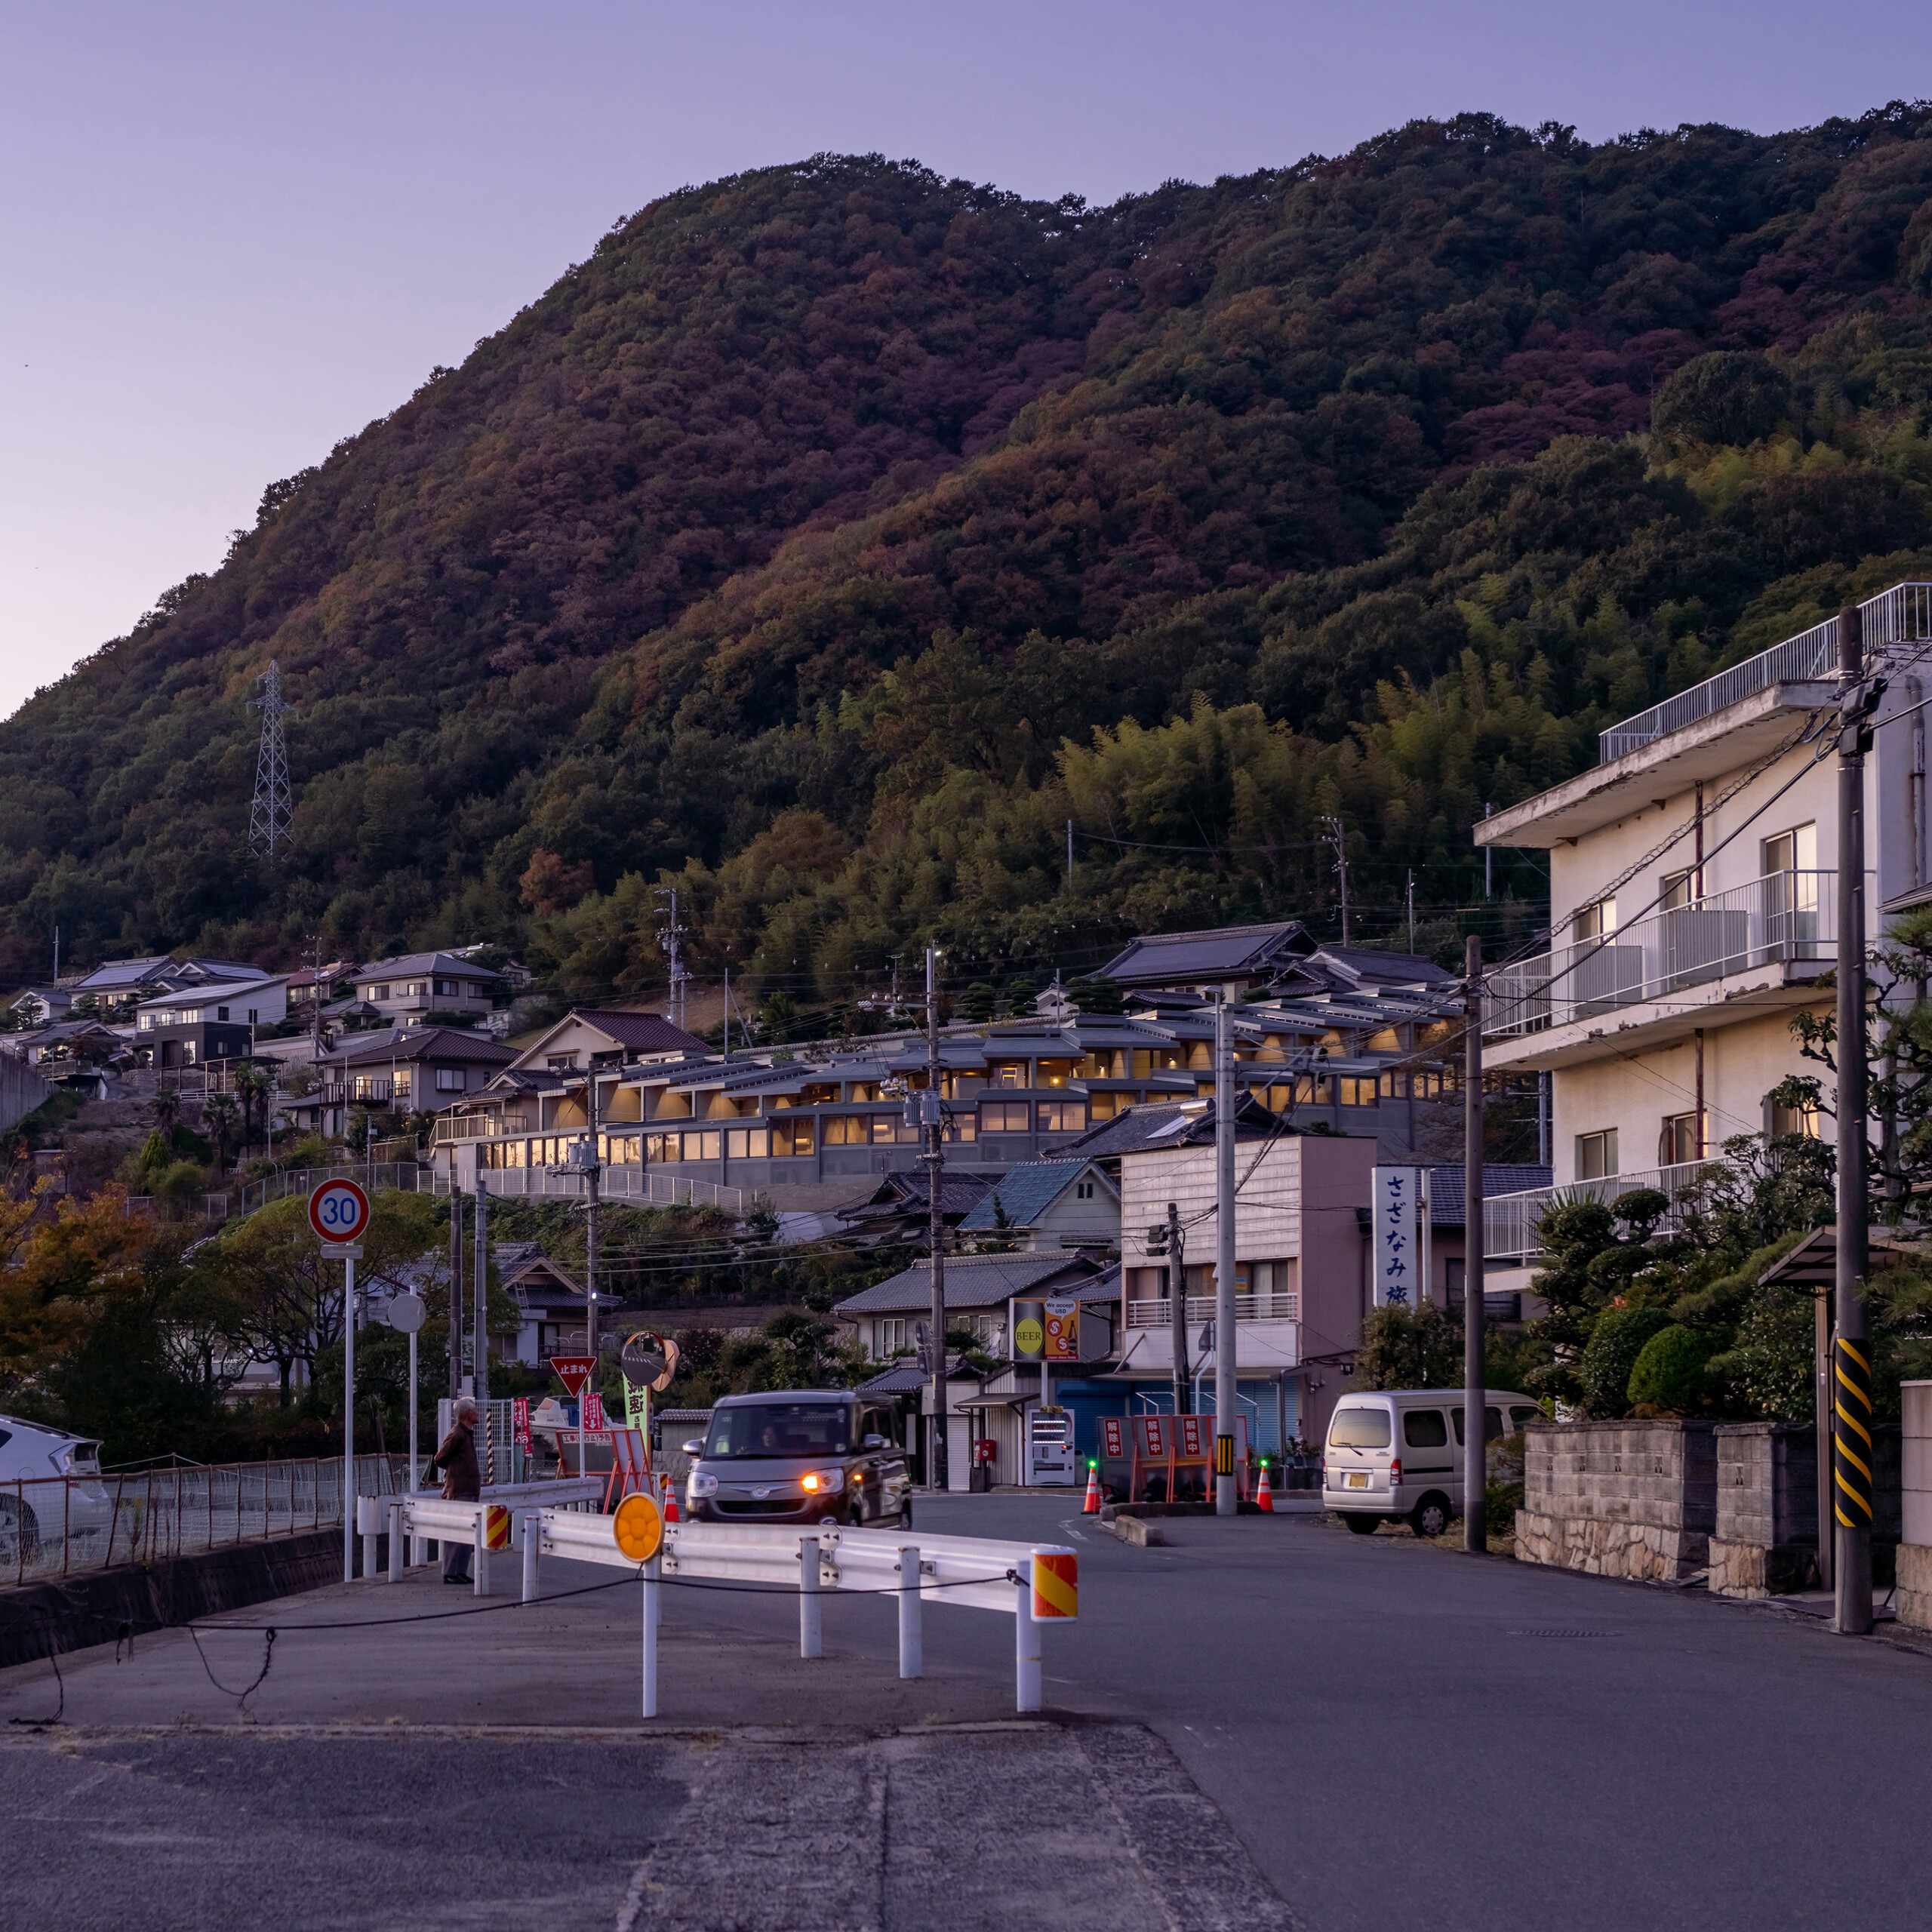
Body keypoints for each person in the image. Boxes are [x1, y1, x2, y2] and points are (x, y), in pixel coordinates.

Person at [427, 1398, 481, 1583]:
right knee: (457, 1531)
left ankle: (460, 1571)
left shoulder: (466, 1434)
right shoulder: (458, 1433)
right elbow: (440, 1458)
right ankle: (450, 1573)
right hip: (460, 1490)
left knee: (467, 1532)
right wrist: (451, 1479)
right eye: (475, 1409)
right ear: (468, 1413)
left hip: (469, 1489)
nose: (477, 1412)